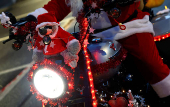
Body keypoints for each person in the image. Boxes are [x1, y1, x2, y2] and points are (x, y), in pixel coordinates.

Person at [0, 0, 169, 106]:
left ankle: (166, 95)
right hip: (92, 34)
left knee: (152, 65)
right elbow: (59, 4)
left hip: (127, 27)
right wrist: (31, 20)